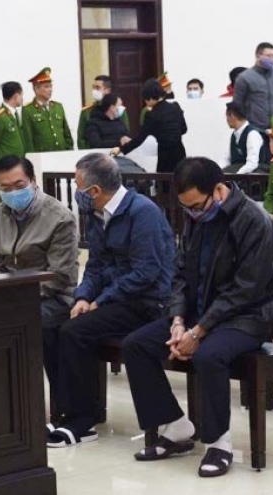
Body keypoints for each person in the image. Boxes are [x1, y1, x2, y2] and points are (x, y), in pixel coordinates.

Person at [123, 157, 273, 478]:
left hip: (246, 317)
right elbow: (180, 274)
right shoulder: (196, 215)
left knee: (209, 355)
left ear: (219, 190)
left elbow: (246, 290)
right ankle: (176, 425)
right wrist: (178, 321)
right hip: (199, 314)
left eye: (197, 205)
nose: (192, 213)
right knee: (136, 345)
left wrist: (198, 332)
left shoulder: (255, 221)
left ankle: (219, 443)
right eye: (186, 208)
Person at [47, 153, 175, 447]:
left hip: (148, 302)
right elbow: (95, 265)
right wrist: (83, 297)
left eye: (78, 186)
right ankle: (66, 409)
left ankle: (83, 419)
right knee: (52, 324)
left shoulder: (143, 212)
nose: (77, 192)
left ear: (94, 190)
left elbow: (145, 272)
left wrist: (101, 301)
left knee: (75, 331)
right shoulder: (96, 214)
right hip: (117, 300)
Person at [0, 155, 79, 422]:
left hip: (54, 298)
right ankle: (1, 406)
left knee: (39, 324)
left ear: (33, 182)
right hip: (12, 296)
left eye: (19, 185)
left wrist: (18, 300)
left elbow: (58, 276)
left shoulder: (59, 217)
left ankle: (62, 408)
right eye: (5, 188)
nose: (13, 192)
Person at [114, 79, 188, 173]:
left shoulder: (152, 115)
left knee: (164, 180)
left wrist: (121, 149)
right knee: (182, 178)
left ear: (149, 98)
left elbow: (140, 138)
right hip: (180, 152)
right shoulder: (175, 106)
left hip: (165, 155)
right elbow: (184, 129)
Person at [233, 42, 273, 128]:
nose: (272, 59)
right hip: (254, 128)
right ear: (258, 56)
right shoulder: (244, 77)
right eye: (269, 56)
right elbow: (237, 104)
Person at [22, 67, 74, 152]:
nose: (50, 90)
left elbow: (67, 134)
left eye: (51, 86)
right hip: (41, 156)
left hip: (62, 154)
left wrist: (68, 149)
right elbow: (28, 139)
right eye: (46, 87)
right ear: (36, 89)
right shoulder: (28, 110)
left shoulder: (58, 107)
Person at [77, 75, 130, 149]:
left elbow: (126, 134)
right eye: (93, 87)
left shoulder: (119, 111)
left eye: (97, 88)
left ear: (108, 90)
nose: (94, 91)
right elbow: (81, 139)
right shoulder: (87, 112)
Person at [220, 101, 268, 173]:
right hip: (239, 170)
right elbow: (226, 159)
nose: (226, 120)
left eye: (226, 117)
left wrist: (236, 176)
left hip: (254, 174)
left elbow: (252, 164)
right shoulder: (233, 136)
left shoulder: (252, 134)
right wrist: (217, 170)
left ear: (232, 116)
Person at [0, 81, 26, 162]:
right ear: (16, 96)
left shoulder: (14, 114)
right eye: (21, 95)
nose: (22, 98)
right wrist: (1, 160)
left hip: (18, 162)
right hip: (6, 164)